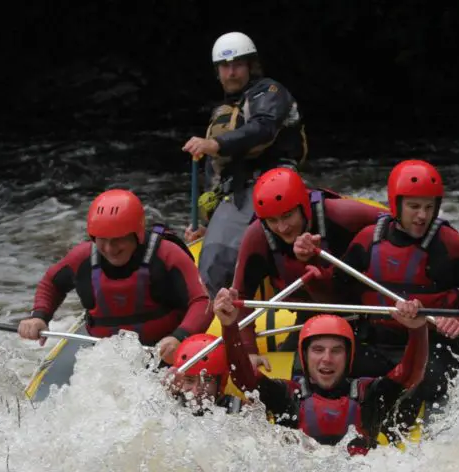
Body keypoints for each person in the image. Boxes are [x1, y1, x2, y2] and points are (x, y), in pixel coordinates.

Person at [296, 159, 459, 419]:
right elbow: (334, 293)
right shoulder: (368, 239)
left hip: (432, 344)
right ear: (396, 205)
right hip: (376, 342)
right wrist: (311, 269)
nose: (422, 215)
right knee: (328, 372)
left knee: (427, 380)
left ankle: (412, 435)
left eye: (428, 207)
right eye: (414, 206)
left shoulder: (453, 245)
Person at [213, 287, 429, 455]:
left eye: (336, 351)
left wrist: (417, 329)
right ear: (305, 356)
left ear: (348, 357)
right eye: (318, 350)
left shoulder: (369, 394)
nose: (327, 359)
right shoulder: (288, 396)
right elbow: (243, 379)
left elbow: (410, 376)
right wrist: (230, 326)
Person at [18, 189, 212, 363]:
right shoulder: (82, 257)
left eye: (118, 240)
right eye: (103, 240)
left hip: (163, 355)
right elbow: (51, 283)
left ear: (137, 235)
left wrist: (180, 337)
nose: (110, 249)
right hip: (106, 359)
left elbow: (203, 301)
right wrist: (39, 316)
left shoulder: (167, 255)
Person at [182, 31, 308, 297]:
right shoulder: (222, 112)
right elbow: (215, 174)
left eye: (238, 64)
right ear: (218, 72)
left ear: (251, 66)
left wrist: (215, 145)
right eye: (225, 66)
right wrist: (208, 221)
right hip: (237, 192)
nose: (231, 72)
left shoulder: (271, 92)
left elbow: (262, 128)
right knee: (211, 250)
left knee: (217, 261)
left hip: (274, 182)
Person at [231, 167, 385, 367]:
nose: (282, 227)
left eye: (287, 216)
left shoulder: (340, 214)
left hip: (362, 310)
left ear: (303, 206)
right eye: (273, 220)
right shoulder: (257, 237)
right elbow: (241, 296)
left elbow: (396, 224)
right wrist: (249, 350)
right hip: (309, 315)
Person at [166, 333, 243, 415]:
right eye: (189, 380)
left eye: (207, 380)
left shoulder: (237, 409)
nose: (196, 392)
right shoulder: (169, 404)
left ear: (221, 383)